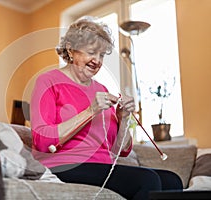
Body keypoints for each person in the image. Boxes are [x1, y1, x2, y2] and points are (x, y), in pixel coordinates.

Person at [30, 16, 183, 200]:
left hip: (103, 166)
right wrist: (90, 111)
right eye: (91, 52)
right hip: (64, 165)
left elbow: (120, 150)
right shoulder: (48, 81)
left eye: (101, 55)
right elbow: (43, 140)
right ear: (71, 50)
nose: (97, 60)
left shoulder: (101, 89)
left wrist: (124, 117)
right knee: (147, 180)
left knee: (173, 181)